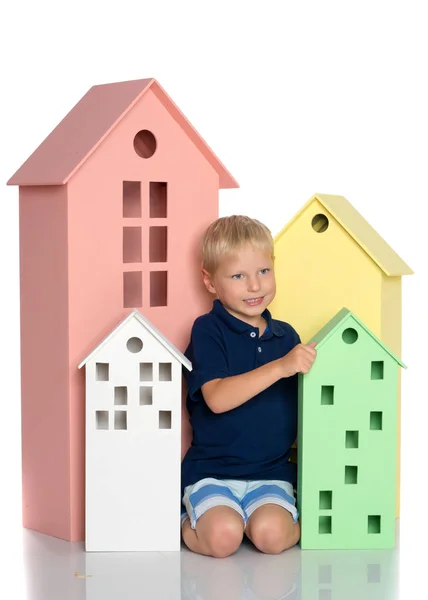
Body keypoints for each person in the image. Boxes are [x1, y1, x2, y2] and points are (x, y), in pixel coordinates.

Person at [180, 215, 317, 558]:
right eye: (238, 276)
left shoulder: (287, 336)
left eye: (263, 272)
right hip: (213, 473)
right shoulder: (208, 330)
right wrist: (282, 366)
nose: (255, 286)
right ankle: (186, 519)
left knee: (271, 538)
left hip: (270, 473)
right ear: (210, 282)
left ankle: (281, 520)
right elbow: (217, 399)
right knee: (224, 538)